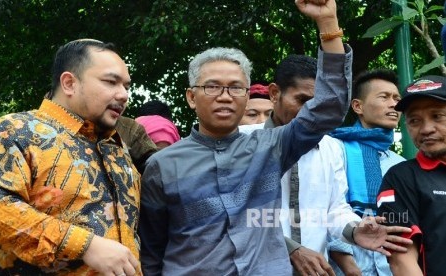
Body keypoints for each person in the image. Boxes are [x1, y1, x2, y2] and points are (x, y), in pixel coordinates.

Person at [139, 1, 412, 275]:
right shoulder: (162, 166)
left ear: (247, 96)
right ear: (190, 97)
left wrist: (328, 23)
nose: (224, 95)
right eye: (212, 87)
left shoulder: (270, 146)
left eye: (235, 87)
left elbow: (327, 108)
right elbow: (152, 251)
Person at [0, 39, 141, 275]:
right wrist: (84, 245)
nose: (124, 94)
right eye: (111, 82)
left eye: (126, 86)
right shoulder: (14, 130)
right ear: (69, 83)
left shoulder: (117, 148)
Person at [240, 54, 362, 276]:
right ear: (275, 94)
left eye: (319, 104)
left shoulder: (332, 147)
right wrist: (290, 249)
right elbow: (233, 215)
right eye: (303, 100)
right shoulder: (240, 142)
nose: (311, 111)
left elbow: (335, 210)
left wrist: (357, 230)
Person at [328, 69, 406, 276]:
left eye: (397, 98)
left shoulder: (401, 164)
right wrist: (347, 264)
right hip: (345, 269)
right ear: (358, 106)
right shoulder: (333, 150)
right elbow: (324, 208)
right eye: (384, 97)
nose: (394, 104)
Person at [378, 75, 446, 275]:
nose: (426, 129)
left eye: (437, 116)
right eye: (414, 120)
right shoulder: (400, 178)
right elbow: (401, 262)